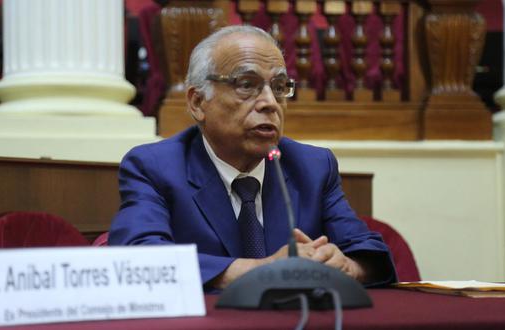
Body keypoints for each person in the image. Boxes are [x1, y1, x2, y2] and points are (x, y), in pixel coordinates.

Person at [109, 25, 396, 291]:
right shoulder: (155, 167)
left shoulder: (313, 166)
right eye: (246, 84)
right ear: (198, 102)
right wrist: (262, 270)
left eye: (280, 87)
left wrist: (347, 266)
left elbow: (367, 251)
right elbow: (138, 259)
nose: (270, 103)